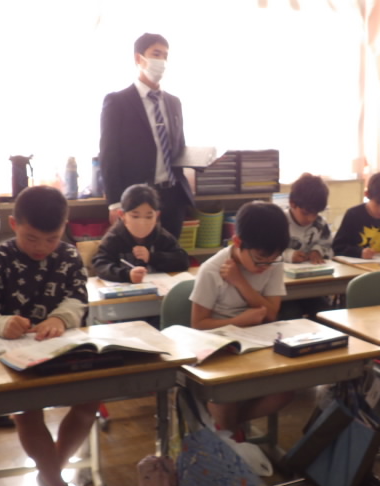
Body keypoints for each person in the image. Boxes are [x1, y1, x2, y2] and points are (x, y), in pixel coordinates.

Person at [0, 186, 93, 486]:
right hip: (12, 357)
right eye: (31, 238)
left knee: (89, 403)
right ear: (14, 224)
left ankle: (50, 474)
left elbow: (78, 299)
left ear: (64, 228)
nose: (41, 248)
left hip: (60, 352)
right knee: (27, 411)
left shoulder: (68, 256)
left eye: (52, 239)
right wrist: (1, 323)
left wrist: (60, 318)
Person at [190, 201, 292, 437]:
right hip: (217, 347)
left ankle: (229, 428)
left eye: (273, 259)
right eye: (260, 259)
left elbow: (272, 313)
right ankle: (230, 432)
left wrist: (240, 282)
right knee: (226, 394)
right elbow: (198, 325)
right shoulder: (211, 270)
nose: (266, 266)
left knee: (286, 390)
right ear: (237, 242)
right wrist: (241, 320)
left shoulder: (271, 263)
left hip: (258, 343)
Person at [99, 32, 193, 239]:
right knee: (139, 254)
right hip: (137, 197)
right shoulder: (118, 102)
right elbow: (109, 155)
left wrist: (203, 159)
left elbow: (179, 148)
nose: (162, 61)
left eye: (165, 55)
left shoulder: (174, 102)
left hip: (173, 196)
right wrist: (114, 203)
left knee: (171, 253)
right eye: (156, 54)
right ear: (138, 58)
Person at [92, 183, 189, 283]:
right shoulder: (113, 238)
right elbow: (100, 266)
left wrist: (152, 257)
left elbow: (183, 261)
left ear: (157, 216)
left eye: (149, 217)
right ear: (122, 215)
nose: (142, 222)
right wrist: (127, 275)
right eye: (135, 216)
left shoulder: (162, 236)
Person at [279, 173, 334, 319]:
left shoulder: (320, 224)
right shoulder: (279, 221)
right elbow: (266, 253)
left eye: (315, 214)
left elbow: (330, 248)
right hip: (285, 289)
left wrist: (318, 251)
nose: (311, 218)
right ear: (292, 203)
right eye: (306, 213)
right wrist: (288, 255)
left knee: (324, 313)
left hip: (312, 286)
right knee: (291, 313)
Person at [332, 171, 380, 263]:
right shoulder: (353, 214)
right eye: (378, 204)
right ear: (367, 194)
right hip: (355, 266)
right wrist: (359, 252)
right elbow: (338, 246)